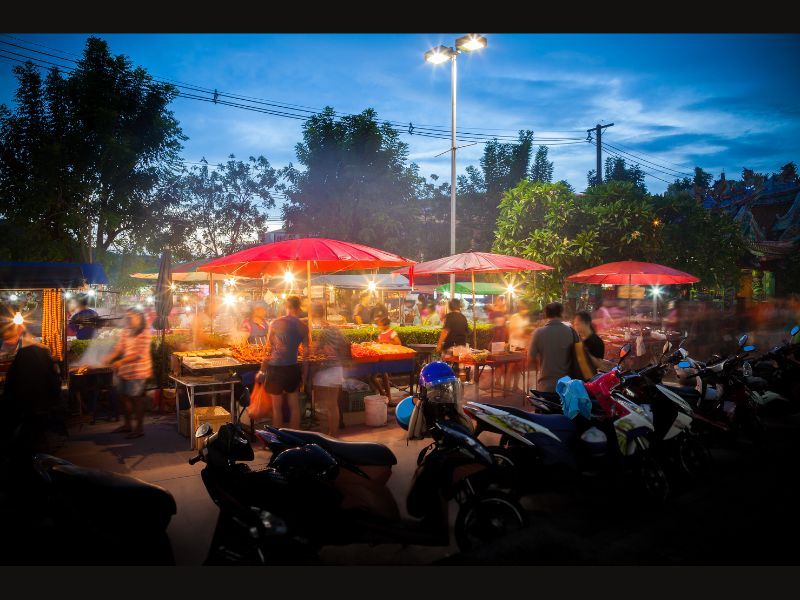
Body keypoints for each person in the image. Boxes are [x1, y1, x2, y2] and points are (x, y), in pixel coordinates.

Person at [1, 308, 62, 465]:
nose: (8, 343)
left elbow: (11, 385)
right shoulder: (32, 351)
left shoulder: (28, 350)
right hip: (40, 401)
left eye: (10, 339)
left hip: (29, 403)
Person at [256, 296, 309, 430]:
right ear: (298, 308)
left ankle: (277, 439)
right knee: (294, 406)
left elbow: (268, 349)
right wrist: (304, 374)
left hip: (276, 368)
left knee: (276, 407)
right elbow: (306, 354)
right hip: (292, 367)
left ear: (286, 306)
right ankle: (295, 437)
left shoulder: (276, 323)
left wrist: (262, 369)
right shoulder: (303, 326)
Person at [103, 307, 152, 439]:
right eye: (127, 317)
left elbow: (138, 354)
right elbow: (119, 348)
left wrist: (120, 362)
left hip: (139, 370)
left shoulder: (145, 333)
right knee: (123, 397)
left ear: (139, 317)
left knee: (136, 399)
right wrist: (109, 357)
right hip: (125, 370)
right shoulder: (126, 331)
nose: (128, 320)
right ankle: (127, 425)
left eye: (131, 317)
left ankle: (139, 428)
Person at [310, 304, 350, 436]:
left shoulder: (324, 332)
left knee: (321, 406)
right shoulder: (336, 330)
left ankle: (325, 435)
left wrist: (313, 348)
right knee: (333, 405)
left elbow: (316, 351)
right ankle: (333, 434)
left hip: (325, 372)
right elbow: (346, 346)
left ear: (314, 315)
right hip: (337, 370)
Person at [528, 302, 576, 393]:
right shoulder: (571, 332)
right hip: (567, 385)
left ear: (546, 315)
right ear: (562, 313)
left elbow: (530, 358)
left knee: (546, 406)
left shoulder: (538, 333)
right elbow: (579, 355)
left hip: (546, 384)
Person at [507, 300, 532, 392]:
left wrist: (527, 337)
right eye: (523, 308)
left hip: (522, 344)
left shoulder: (525, 318)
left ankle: (515, 386)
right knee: (511, 366)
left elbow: (525, 330)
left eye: (526, 309)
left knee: (519, 366)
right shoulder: (514, 317)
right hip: (514, 344)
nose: (525, 310)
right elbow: (512, 331)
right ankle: (508, 386)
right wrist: (526, 336)